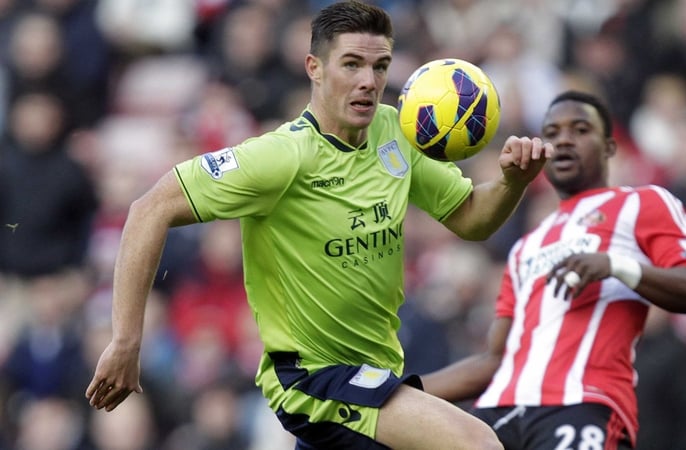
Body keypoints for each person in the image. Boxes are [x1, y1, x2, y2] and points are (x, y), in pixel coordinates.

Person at [84, 2, 553, 449]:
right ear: (315, 67)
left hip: (377, 370)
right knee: (477, 443)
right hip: (312, 379)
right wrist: (126, 342)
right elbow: (149, 209)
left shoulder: (395, 131)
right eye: (352, 64)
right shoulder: (281, 157)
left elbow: (471, 219)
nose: (368, 81)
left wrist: (512, 182)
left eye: (380, 67)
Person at [421, 90, 686, 449]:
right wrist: (403, 391)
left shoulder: (642, 203)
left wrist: (615, 266)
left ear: (609, 146)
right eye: (552, 133)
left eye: (580, 130)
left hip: (579, 404)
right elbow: (495, 359)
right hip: (498, 413)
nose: (563, 140)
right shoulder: (526, 247)